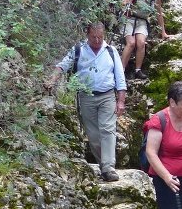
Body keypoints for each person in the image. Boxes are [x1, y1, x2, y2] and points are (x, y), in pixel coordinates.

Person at [45, 21, 127, 182]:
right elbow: (63, 65)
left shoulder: (111, 51)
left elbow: (120, 77)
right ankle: (103, 165)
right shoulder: (78, 50)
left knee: (108, 130)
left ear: (104, 36)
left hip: (107, 96)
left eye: (100, 37)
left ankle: (109, 167)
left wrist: (121, 101)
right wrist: (52, 80)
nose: (97, 41)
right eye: (93, 37)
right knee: (94, 135)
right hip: (86, 97)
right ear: (87, 35)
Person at [118, 0, 169, 80]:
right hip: (128, 18)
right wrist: (128, 4)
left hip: (141, 21)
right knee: (131, 43)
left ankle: (138, 70)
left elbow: (159, 14)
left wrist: (163, 32)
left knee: (141, 43)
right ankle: (120, 70)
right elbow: (124, 3)